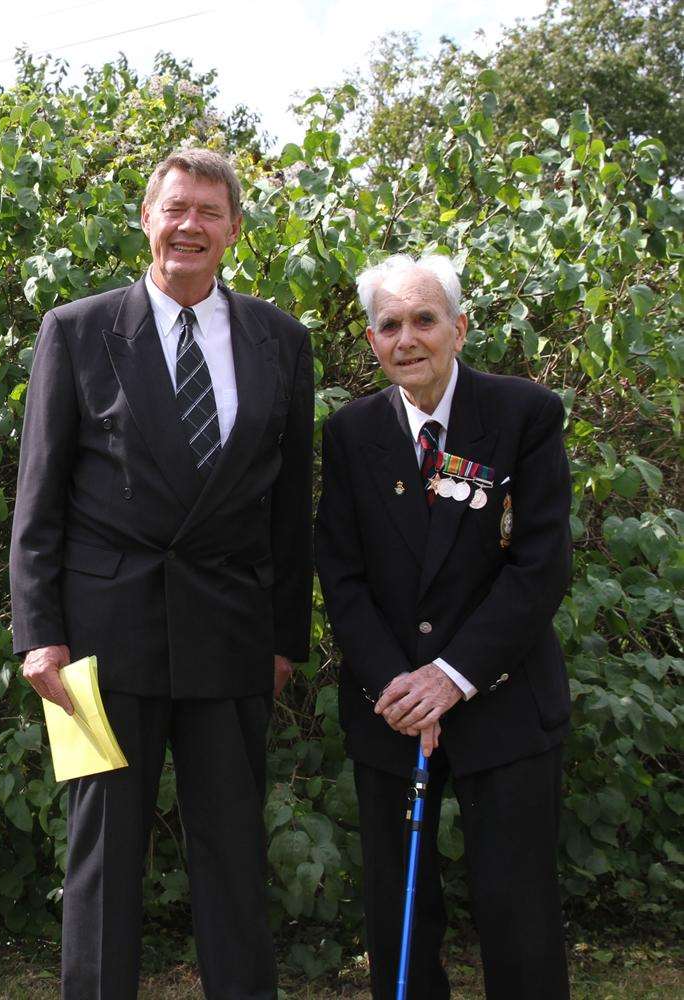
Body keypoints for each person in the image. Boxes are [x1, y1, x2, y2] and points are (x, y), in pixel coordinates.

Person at [8, 148, 313, 1000]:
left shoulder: (281, 340)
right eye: (175, 209)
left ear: (234, 232)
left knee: (233, 851)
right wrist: (39, 635)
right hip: (95, 649)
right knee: (101, 860)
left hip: (232, 633)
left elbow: (291, 507)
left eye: (209, 213)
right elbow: (39, 498)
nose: (190, 227)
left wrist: (285, 639)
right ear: (147, 220)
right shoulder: (75, 330)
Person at [315, 253, 573, 999]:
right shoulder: (350, 432)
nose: (408, 338)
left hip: (502, 701)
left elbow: (540, 566)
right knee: (399, 913)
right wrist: (399, 684)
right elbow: (342, 573)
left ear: (458, 328)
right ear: (371, 341)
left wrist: (450, 678)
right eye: (389, 324)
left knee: (516, 909)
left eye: (424, 320)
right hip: (392, 710)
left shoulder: (524, 415)